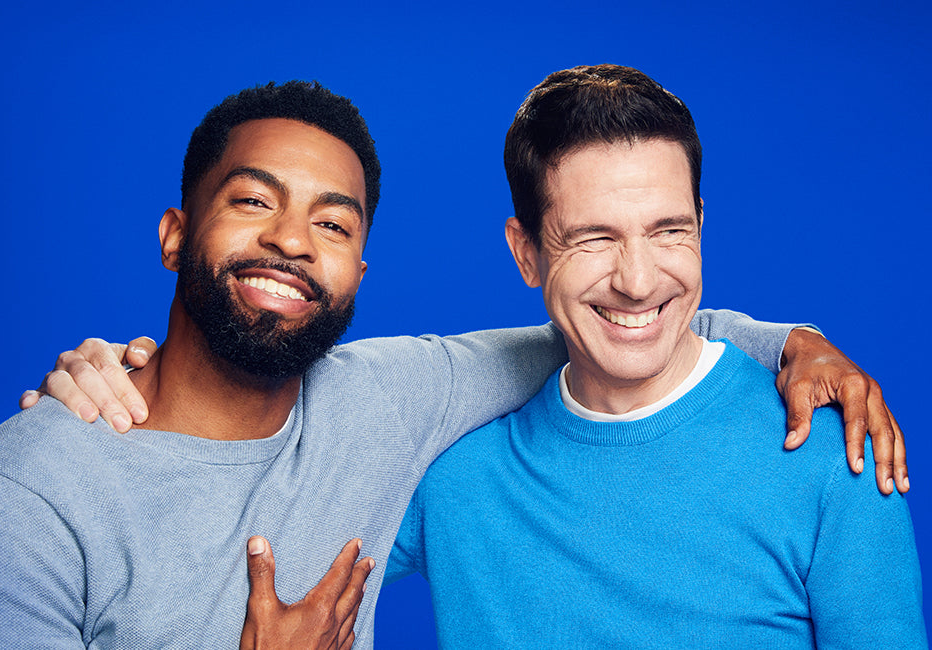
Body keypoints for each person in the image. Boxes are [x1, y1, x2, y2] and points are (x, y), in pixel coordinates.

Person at [0, 81, 899, 648]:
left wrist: (792, 340)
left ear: (359, 266)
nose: (294, 241)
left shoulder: (395, 408)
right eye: (254, 202)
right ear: (176, 234)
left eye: (333, 222)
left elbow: (631, 319)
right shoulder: (21, 497)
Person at [375, 64, 923, 647]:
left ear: (702, 225)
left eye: (669, 232)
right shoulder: (453, 477)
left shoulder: (830, 455)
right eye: (594, 238)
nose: (638, 282)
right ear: (526, 252)